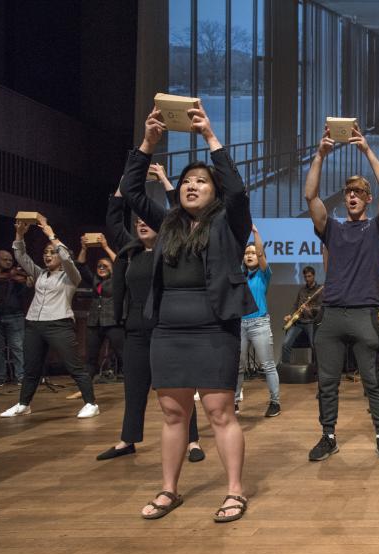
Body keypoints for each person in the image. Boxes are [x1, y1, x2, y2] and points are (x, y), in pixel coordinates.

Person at [123, 102, 252, 522]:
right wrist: (148, 142)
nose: (192, 186)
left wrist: (210, 137)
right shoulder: (168, 223)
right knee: (173, 412)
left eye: (201, 181)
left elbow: (237, 189)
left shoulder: (229, 222)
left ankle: (234, 491)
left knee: (219, 412)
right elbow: (133, 190)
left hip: (214, 328)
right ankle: (168, 490)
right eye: (187, 181)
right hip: (168, 330)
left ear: (213, 191)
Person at [303, 123, 379, 462]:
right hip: (331, 315)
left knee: (373, 381)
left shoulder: (377, 228)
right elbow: (311, 197)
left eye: (358, 192)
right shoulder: (332, 229)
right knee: (327, 383)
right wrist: (319, 156)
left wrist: (367, 150)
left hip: (363, 314)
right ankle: (328, 435)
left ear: (366, 199)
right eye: (348, 193)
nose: (352, 196)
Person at [98, 172, 205, 462]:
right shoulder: (130, 251)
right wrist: (124, 184)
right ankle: (127, 440)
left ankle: (192, 441)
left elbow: (179, 214)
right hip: (135, 332)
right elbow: (114, 220)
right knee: (134, 388)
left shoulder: (170, 249)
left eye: (147, 221)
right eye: (138, 223)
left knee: (179, 388)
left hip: (165, 330)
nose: (141, 224)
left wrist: (167, 181)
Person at [0, 216, 99, 418]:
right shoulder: (40, 274)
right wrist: (20, 234)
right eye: (45, 253)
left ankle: (91, 403)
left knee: (74, 366)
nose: (47, 256)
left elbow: (66, 257)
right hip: (34, 324)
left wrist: (50, 234)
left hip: (59, 324)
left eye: (52, 253)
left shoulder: (71, 276)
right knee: (31, 367)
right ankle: (23, 404)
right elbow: (21, 256)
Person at [235, 224, 282, 417]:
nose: (249, 255)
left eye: (252, 253)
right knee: (237, 367)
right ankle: (235, 401)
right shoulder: (240, 274)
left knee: (268, 365)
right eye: (247, 253)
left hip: (259, 323)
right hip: (239, 324)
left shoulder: (264, 274)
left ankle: (275, 402)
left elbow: (261, 254)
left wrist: (255, 233)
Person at [76, 235, 124, 381]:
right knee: (90, 356)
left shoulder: (118, 280)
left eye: (105, 266)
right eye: (99, 266)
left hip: (112, 322)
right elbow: (81, 266)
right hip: (94, 323)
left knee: (123, 354)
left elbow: (121, 263)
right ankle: (86, 387)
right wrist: (84, 248)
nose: (101, 268)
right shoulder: (95, 281)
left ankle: (133, 384)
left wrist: (105, 246)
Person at [0, 249, 28, 386]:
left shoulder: (16, 278)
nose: (9, 262)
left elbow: (26, 288)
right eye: (5, 259)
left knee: (18, 346)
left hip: (14, 315)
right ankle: (0, 377)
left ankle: (21, 376)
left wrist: (17, 279)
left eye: (10, 260)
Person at [282, 266, 322, 362]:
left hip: (311, 323)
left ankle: (317, 370)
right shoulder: (302, 290)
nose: (307, 279)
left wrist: (309, 309)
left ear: (314, 276)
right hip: (298, 322)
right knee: (285, 344)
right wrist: (290, 315)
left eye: (309, 276)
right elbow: (296, 305)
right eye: (305, 277)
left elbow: (320, 308)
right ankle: (286, 368)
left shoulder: (320, 290)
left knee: (314, 345)